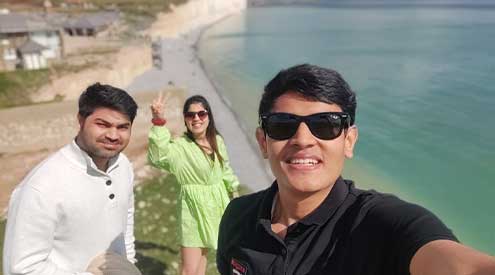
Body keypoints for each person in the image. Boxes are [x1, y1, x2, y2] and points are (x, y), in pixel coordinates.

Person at [217, 64, 495, 275]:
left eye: (326, 124)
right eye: (282, 125)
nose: (303, 140)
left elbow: (458, 265)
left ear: (348, 141)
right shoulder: (238, 217)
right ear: (263, 142)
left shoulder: (380, 225)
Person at [3, 83, 139, 275]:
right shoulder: (42, 186)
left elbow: (125, 223)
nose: (113, 135)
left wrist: (128, 265)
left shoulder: (123, 166)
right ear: (81, 120)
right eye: (103, 124)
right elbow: (22, 269)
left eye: (123, 127)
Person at [148, 93, 240, 275]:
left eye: (201, 113)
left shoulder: (217, 141)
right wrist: (158, 121)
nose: (196, 118)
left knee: (202, 262)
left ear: (208, 116)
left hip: (216, 206)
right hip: (192, 210)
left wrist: (234, 191)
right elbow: (158, 157)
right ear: (185, 120)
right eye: (191, 115)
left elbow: (225, 170)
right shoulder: (181, 147)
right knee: (189, 270)